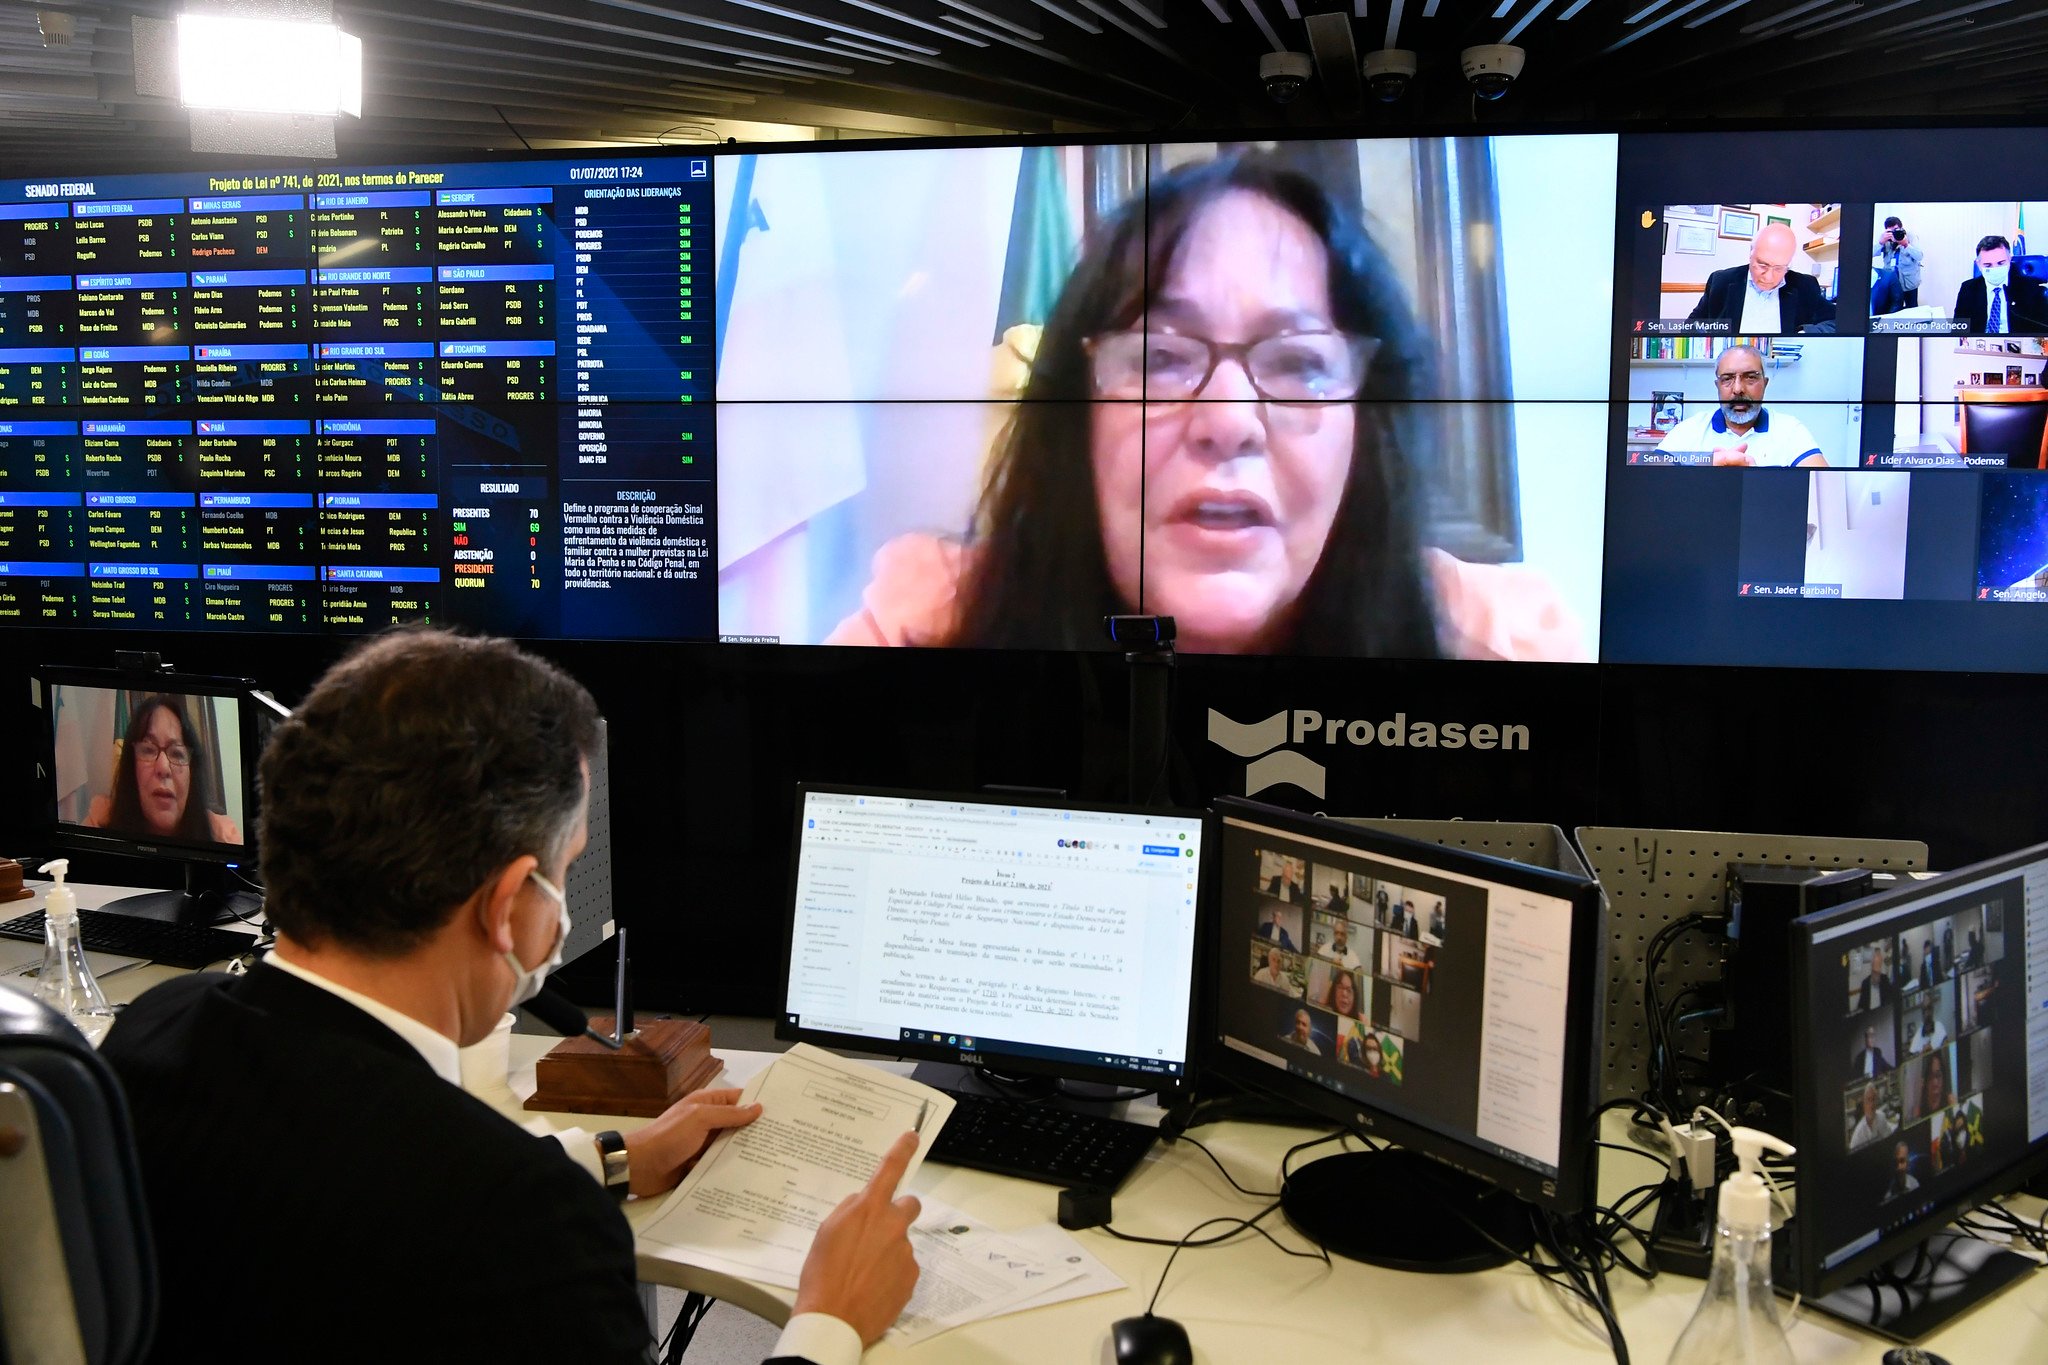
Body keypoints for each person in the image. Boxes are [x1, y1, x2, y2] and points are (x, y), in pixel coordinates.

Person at [100, 629, 921, 1365]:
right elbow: (440, 1199)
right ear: (504, 906)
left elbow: (339, 1186)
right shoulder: (524, 1235)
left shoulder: (148, 1038)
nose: (564, 908)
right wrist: (829, 1320)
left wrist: (616, 1156)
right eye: (564, 871)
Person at [826, 153, 1586, 663]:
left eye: (1296, 363)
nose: (1227, 421)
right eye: (1159, 359)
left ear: (1366, 431)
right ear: (1076, 416)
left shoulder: (1505, 647)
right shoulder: (927, 628)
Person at [83, 695, 242, 843]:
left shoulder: (224, 838)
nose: (163, 768)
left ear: (192, 773)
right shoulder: (101, 822)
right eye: (148, 750)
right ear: (131, 767)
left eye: (177, 753)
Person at [1654, 345, 1826, 467]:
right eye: (1727, 379)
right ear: (1718, 386)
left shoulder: (1790, 429)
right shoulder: (1690, 429)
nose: (1737, 389)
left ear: (1765, 384)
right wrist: (1703, 463)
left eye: (1750, 377)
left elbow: (1822, 485)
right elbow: (1646, 473)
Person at [1685, 222, 1835, 333]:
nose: (1769, 277)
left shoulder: (1805, 286)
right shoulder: (1721, 281)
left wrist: (1805, 334)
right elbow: (1690, 326)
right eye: (1762, 265)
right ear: (1751, 254)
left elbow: (1838, 321)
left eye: (1779, 268)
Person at [1952, 235, 2048, 334]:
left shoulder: (2030, 288)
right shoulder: (1968, 289)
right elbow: (1958, 330)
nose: (1995, 269)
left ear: (2009, 259)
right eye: (1988, 265)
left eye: (2001, 263)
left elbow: (2042, 330)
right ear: (1979, 265)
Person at [1872, 216, 1923, 310]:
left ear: (1901, 227)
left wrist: (1906, 244)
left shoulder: (1910, 236)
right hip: (1892, 283)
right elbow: (1870, 254)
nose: (1893, 233)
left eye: (1896, 230)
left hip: (1909, 282)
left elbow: (1919, 256)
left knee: (1912, 311)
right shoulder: (1885, 239)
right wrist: (1881, 242)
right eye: (1890, 231)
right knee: (1893, 310)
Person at [1850, 1083, 1895, 1149]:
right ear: (1864, 1104)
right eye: (1869, 1099)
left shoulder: (1881, 1117)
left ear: (1877, 1101)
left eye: (1874, 1099)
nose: (1872, 1104)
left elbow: (1889, 1138)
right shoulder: (1858, 1134)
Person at [1855, 943, 1895, 1012]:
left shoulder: (1885, 979)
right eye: (1875, 957)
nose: (1878, 960)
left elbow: (1891, 999)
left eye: (1879, 957)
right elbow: (1861, 1006)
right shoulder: (1865, 983)